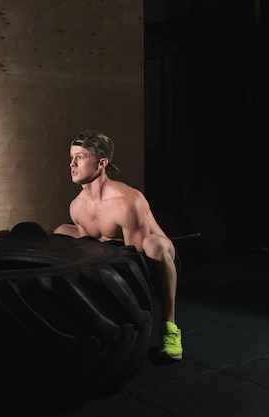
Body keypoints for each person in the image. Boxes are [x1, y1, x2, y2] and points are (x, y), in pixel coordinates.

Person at [54, 130, 183, 361]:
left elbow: (136, 261)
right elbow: (88, 250)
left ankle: (169, 329)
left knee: (154, 244)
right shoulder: (76, 206)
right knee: (60, 232)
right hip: (110, 253)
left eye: (80, 157)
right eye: (71, 157)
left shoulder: (126, 202)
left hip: (151, 256)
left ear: (101, 163)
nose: (72, 164)